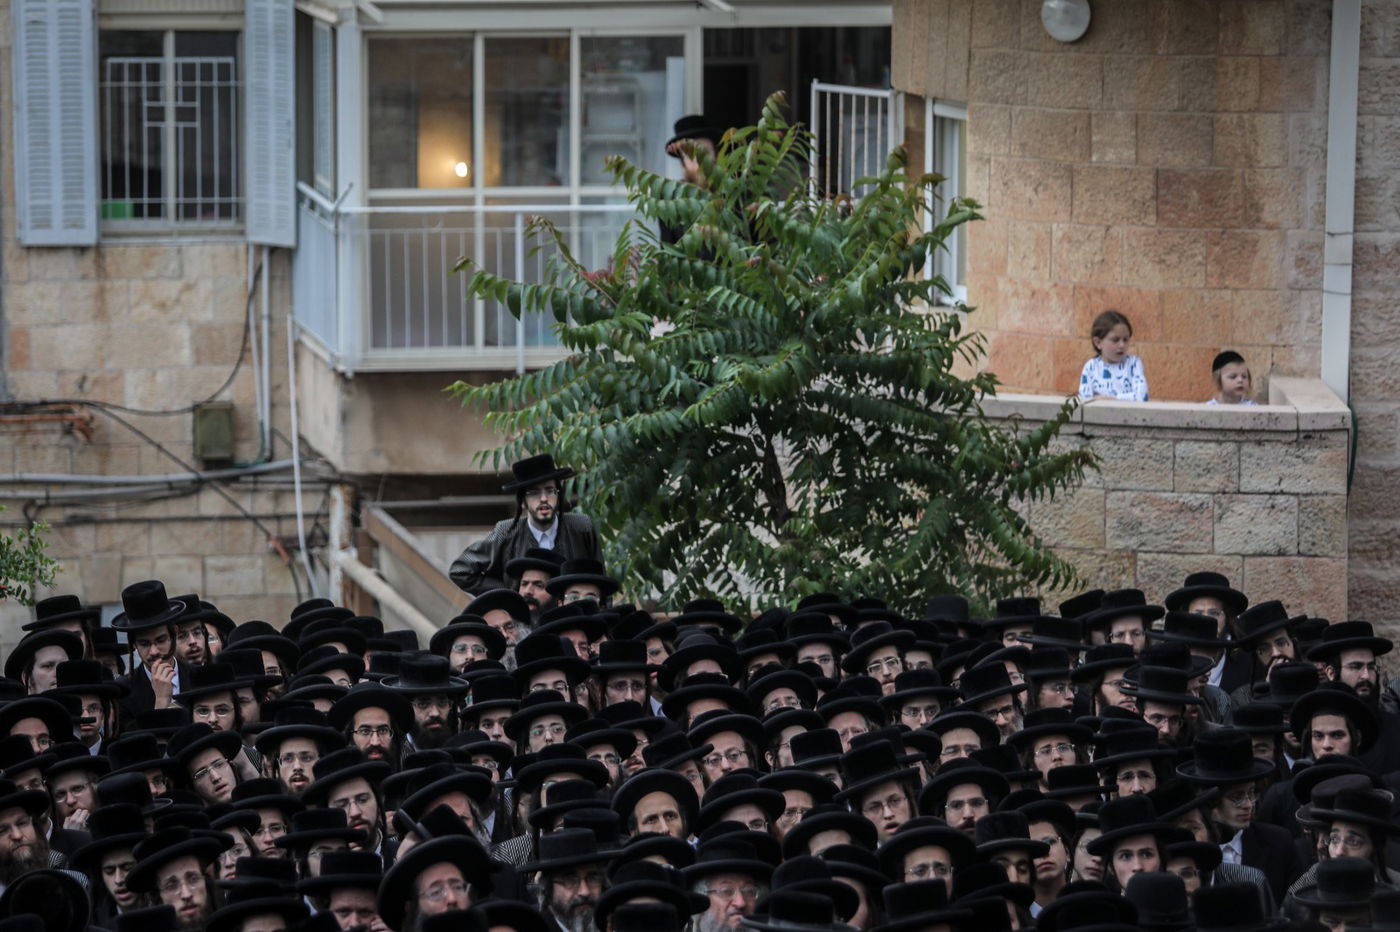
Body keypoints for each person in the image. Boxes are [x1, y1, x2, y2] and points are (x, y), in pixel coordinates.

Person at [449, 455, 602, 596]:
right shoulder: (506, 530)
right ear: (522, 501)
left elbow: (600, 580)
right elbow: (460, 570)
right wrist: (509, 593)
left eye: (550, 491)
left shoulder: (581, 526)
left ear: (558, 495)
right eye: (534, 493)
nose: (544, 498)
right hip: (527, 620)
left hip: (572, 618)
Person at [1077, 309, 1147, 402]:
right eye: (1115, 340)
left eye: (1125, 339)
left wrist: (1112, 399)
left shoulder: (1134, 364)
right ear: (1098, 342)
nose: (1122, 345)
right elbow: (1085, 401)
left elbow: (1142, 397)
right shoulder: (1091, 367)